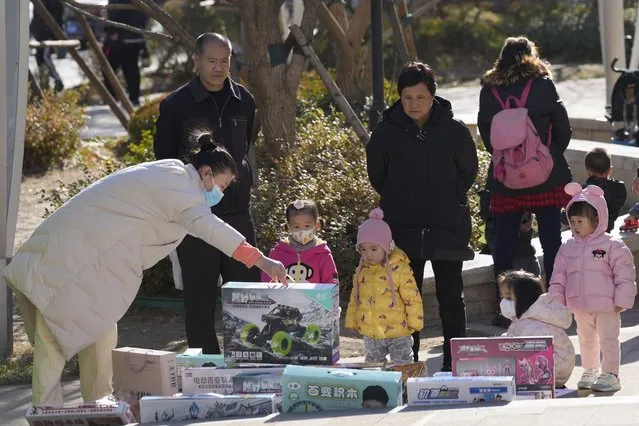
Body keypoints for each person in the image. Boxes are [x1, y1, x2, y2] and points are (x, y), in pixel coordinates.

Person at [0, 139, 287, 408]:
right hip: (77, 258)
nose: (220, 194)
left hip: (84, 253)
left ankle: (98, 403)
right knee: (54, 334)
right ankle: (46, 411)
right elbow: (213, 230)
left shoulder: (171, 171)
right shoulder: (183, 192)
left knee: (100, 327)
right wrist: (261, 260)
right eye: (222, 185)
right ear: (207, 173)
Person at [366, 61, 478, 369]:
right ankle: (408, 363)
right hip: (402, 229)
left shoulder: (453, 130)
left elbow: (468, 171)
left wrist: (447, 198)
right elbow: (378, 175)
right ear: (399, 97)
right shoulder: (386, 131)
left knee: (451, 298)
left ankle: (455, 364)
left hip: (447, 226)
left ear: (433, 96)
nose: (414, 104)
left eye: (421, 97)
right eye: (407, 98)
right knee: (403, 299)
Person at [154, 32, 259, 354]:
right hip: (195, 216)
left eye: (224, 61)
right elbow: (164, 159)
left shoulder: (244, 100)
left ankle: (249, 360)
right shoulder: (176, 105)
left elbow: (248, 146)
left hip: (238, 213)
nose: (218, 68)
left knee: (247, 295)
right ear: (196, 60)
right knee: (199, 299)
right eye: (211, 61)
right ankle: (208, 368)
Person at [478, 36, 573, 315]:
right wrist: (547, 156)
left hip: (506, 178)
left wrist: (509, 159)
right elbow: (563, 127)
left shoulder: (489, 89)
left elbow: (487, 134)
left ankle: (506, 306)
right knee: (551, 240)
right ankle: (555, 302)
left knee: (503, 242)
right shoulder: (542, 84)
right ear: (531, 56)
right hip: (544, 176)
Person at [549, 183, 636, 392]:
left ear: (597, 219)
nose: (575, 225)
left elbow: (625, 273)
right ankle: (590, 369)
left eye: (580, 221)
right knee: (586, 339)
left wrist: (622, 300)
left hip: (607, 305)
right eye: (572, 221)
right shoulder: (568, 246)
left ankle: (611, 374)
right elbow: (558, 275)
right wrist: (557, 301)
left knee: (608, 339)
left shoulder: (611, 245)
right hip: (580, 305)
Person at [345, 208, 424, 365]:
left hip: (398, 331)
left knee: (402, 365)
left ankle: (404, 388)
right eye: (363, 249)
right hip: (372, 332)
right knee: (373, 367)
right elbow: (356, 297)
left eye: (374, 249)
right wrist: (352, 319)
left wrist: (415, 321)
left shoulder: (400, 268)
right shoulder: (362, 270)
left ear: (387, 247)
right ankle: (377, 388)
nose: (368, 254)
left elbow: (412, 297)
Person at [499, 270, 575, 388]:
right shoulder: (530, 318)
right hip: (558, 370)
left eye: (509, 297)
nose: (503, 302)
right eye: (503, 297)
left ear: (525, 298)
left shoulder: (531, 326)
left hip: (551, 372)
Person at [261, 199, 338, 284]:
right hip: (282, 297)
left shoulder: (323, 254)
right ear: (289, 227)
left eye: (307, 226)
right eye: (296, 226)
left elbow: (330, 285)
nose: (302, 231)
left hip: (312, 297)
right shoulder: (278, 252)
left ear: (317, 225)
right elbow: (267, 282)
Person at [103, 0, 148, 106]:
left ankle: (113, 97)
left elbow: (114, 14)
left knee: (109, 69)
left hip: (119, 41)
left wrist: (112, 31)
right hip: (134, 39)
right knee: (131, 71)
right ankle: (133, 97)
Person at [583, 147, 626, 232]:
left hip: (587, 233)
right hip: (606, 231)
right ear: (610, 170)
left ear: (588, 172)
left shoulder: (585, 190)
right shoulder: (620, 189)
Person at [30, 0, 64, 92]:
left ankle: (57, 80)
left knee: (45, 57)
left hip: (48, 33)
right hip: (40, 33)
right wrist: (32, 28)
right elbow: (36, 15)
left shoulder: (54, 2)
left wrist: (53, 33)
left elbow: (57, 16)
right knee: (39, 58)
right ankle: (45, 83)